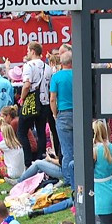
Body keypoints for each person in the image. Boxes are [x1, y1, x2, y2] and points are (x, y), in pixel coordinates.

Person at [18, 43, 47, 168]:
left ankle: (28, 161)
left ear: (33, 51)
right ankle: (41, 159)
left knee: (21, 132)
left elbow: (27, 84)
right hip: (44, 103)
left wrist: (22, 98)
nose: (27, 53)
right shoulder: (47, 67)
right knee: (41, 132)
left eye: (28, 51)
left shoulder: (28, 66)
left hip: (31, 101)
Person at [49, 51, 75, 185]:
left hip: (63, 113)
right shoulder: (78, 74)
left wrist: (55, 114)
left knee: (66, 150)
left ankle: (69, 178)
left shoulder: (56, 77)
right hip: (79, 113)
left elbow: (52, 99)